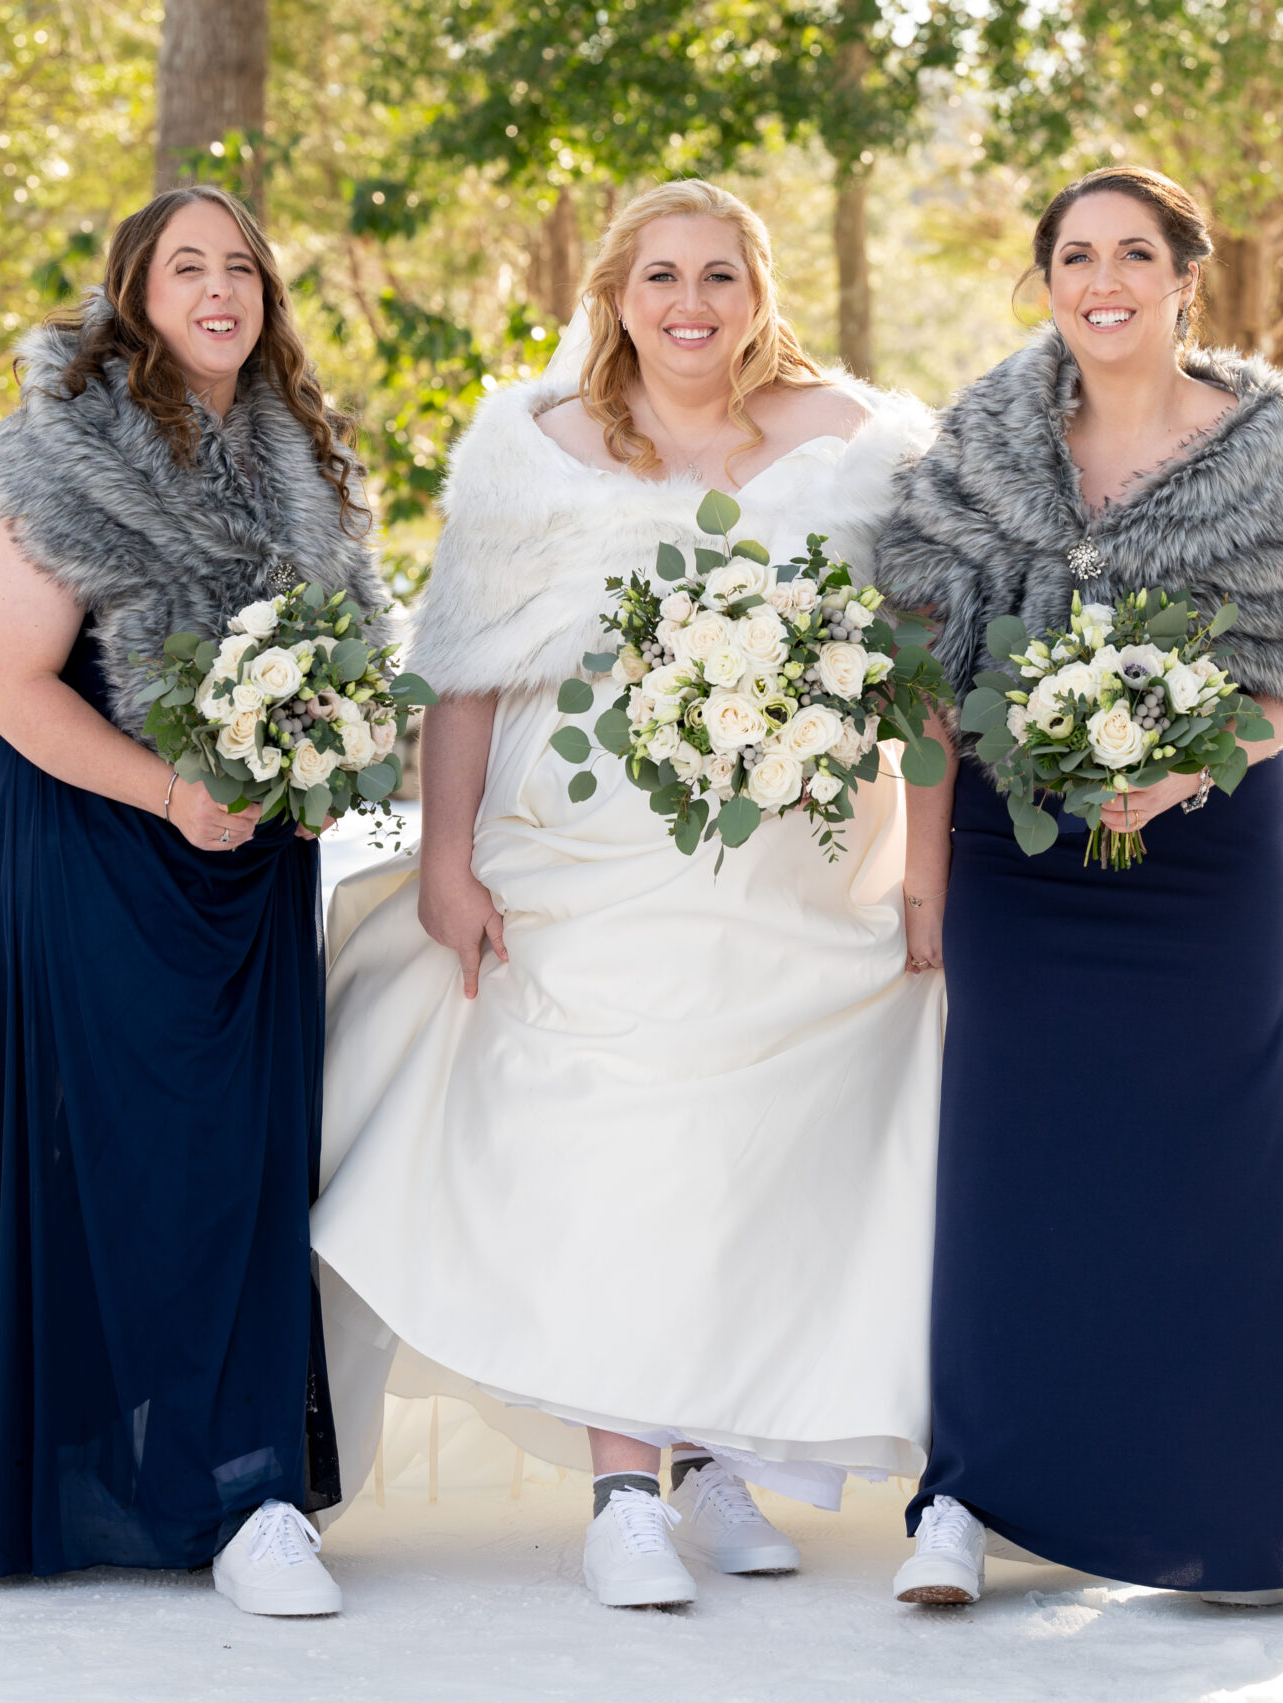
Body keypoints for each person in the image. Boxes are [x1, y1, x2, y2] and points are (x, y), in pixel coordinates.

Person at [312, 179, 945, 1609]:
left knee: (749, 1152)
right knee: (623, 1143)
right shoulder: (535, 451)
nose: (691, 306)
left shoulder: (852, 449)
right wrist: (450, 857)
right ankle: (620, 1491)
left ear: (759, 291)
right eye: (661, 276)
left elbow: (920, 687)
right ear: (615, 294)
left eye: (720, 276)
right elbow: (466, 668)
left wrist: (926, 879)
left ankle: (716, 1454)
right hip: (582, 842)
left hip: (795, 851)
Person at [873, 165, 1283, 1607]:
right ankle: (964, 1501)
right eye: (1074, 256)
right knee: (1005, 1178)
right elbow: (918, 670)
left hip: (1210, 859)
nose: (1103, 279)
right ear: (1046, 283)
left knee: (1211, 1176)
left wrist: (1182, 769)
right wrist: (925, 876)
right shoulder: (976, 446)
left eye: (1133, 254)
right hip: (1014, 863)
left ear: (1184, 277)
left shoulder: (1272, 450)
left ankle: (1230, 1511)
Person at [0, 184, 388, 1616]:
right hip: (88, 838)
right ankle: (144, 1486)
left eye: (243, 267)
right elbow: (7, 684)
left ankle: (247, 1487)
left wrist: (329, 756)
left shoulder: (307, 458)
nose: (220, 289)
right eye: (187, 267)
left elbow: (345, 657)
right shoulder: (67, 451)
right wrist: (171, 793)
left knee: (243, 1163)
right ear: (135, 296)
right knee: (110, 1165)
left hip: (248, 865)